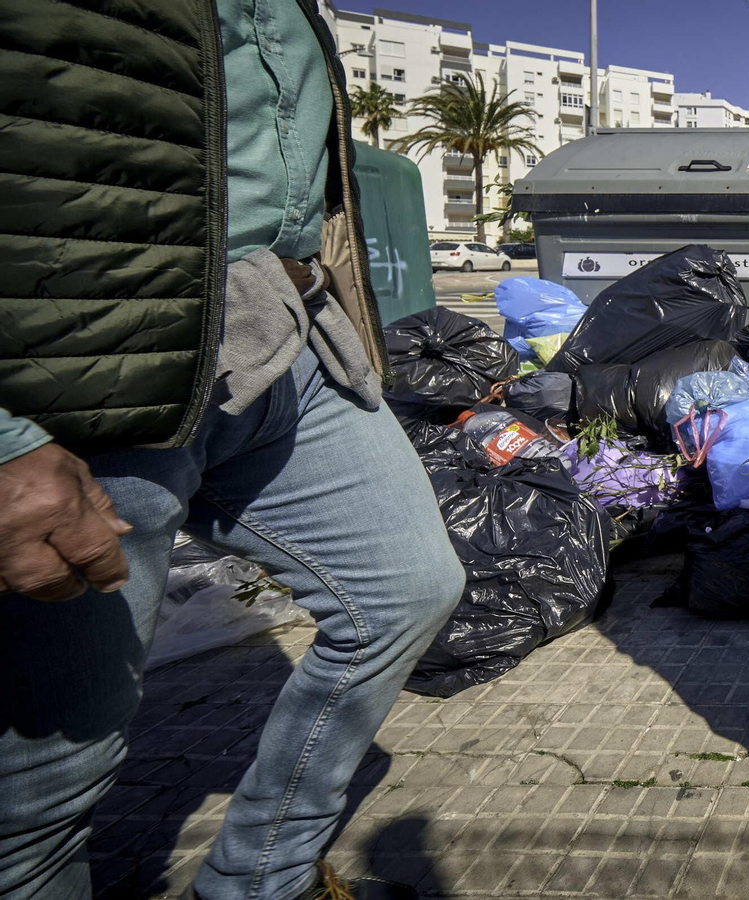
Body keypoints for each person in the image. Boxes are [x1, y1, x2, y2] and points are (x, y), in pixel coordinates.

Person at [0, 2, 464, 898]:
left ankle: (260, 881)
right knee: (46, 790)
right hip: (85, 363)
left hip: (281, 322)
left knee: (406, 588)